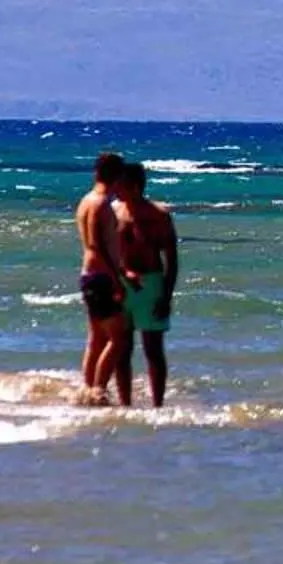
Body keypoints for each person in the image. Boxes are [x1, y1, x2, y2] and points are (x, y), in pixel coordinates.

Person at [110, 160, 179, 407]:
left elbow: (171, 259)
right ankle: (124, 403)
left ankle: (158, 405)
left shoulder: (159, 214)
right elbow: (108, 252)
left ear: (136, 186)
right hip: (122, 283)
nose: (116, 189)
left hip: (151, 283)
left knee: (153, 349)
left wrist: (166, 296)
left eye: (122, 185)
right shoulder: (114, 211)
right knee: (122, 348)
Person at [73, 151, 133, 406]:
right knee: (119, 338)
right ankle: (98, 391)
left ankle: (87, 390)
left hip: (90, 275)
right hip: (100, 277)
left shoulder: (86, 201)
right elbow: (98, 246)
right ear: (117, 177)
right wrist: (117, 279)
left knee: (97, 337)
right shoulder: (99, 204)